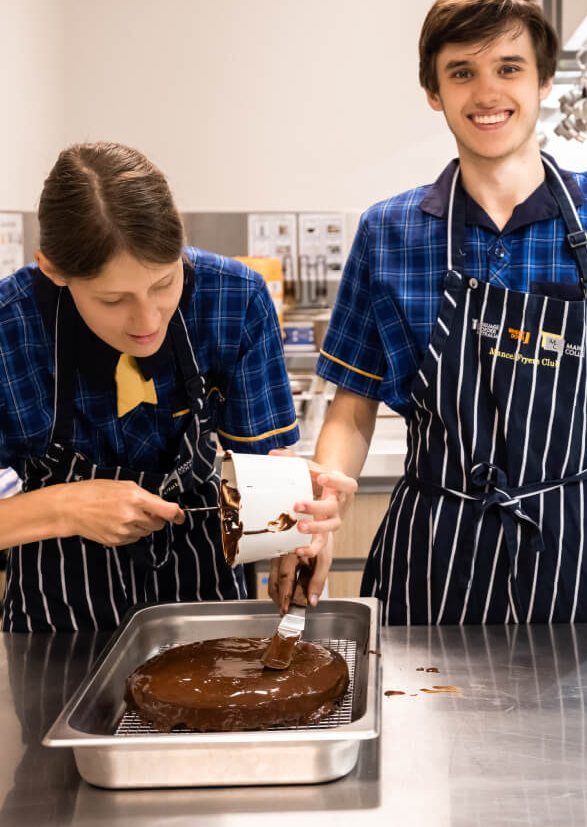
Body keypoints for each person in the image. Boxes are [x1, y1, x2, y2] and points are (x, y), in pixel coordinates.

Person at [271, 0, 587, 624]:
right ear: (435, 92)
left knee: (584, 726)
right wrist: (320, 511)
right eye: (463, 73)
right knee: (423, 722)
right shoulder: (390, 231)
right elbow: (351, 406)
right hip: (435, 546)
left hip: (578, 543)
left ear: (542, 82)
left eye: (508, 68)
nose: (487, 93)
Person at [0, 142, 345, 632]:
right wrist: (62, 509)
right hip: (60, 623)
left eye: (164, 283)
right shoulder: (9, 329)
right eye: (113, 299)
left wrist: (300, 523)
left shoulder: (234, 299)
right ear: (53, 270)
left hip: (204, 599)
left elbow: (270, 470)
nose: (147, 321)